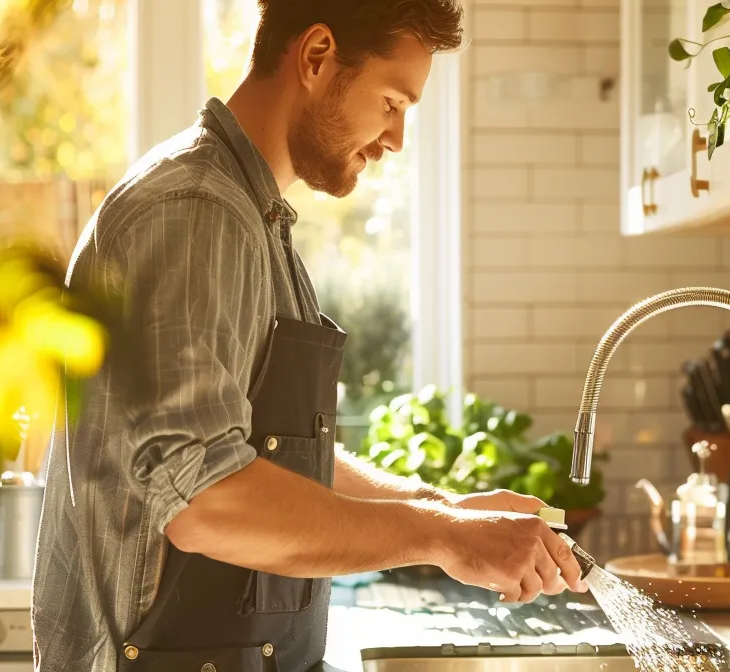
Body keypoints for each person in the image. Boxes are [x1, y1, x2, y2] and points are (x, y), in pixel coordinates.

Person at [31, 1, 588, 670]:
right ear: (317, 56)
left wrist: (445, 507)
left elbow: (276, 459)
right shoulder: (194, 211)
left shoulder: (254, 219)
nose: (396, 139)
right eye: (391, 101)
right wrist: (443, 536)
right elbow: (206, 501)